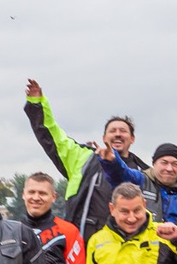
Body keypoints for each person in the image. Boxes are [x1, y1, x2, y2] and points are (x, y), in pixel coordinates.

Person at [24, 79, 148, 242]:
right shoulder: (82, 157)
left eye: (123, 131)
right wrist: (37, 104)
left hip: (123, 250)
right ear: (104, 138)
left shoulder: (143, 172)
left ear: (132, 139)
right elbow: (52, 136)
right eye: (113, 131)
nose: (118, 134)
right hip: (81, 245)